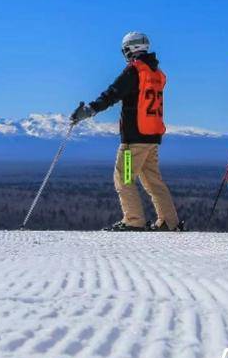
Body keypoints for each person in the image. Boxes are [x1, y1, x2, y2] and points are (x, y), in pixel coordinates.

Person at [70, 32, 179, 232]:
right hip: (152, 137)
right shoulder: (155, 72)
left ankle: (134, 220)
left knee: (124, 177)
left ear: (130, 49)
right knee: (153, 180)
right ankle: (169, 221)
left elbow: (113, 93)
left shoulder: (134, 71)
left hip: (134, 139)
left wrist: (90, 110)